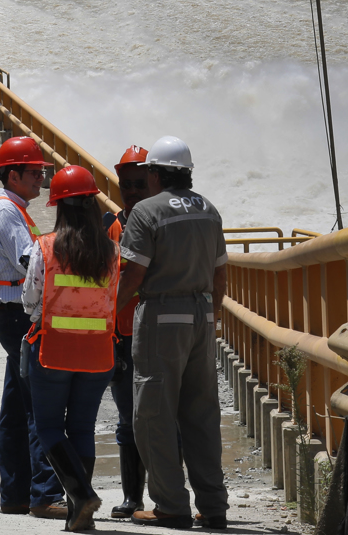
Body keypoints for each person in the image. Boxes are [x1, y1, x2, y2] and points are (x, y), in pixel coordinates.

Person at [118, 136, 229, 530]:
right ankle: (214, 507)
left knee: (153, 414)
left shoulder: (146, 211)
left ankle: (170, 505)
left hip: (162, 315)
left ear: (154, 173)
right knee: (201, 413)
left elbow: (132, 275)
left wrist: (110, 315)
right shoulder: (209, 210)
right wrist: (209, 316)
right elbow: (220, 274)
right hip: (202, 315)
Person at [21, 165, 120, 531]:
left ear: (59, 207)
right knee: (81, 427)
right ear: (94, 204)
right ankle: (81, 514)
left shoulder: (45, 247)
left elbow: (30, 300)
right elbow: (112, 297)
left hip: (53, 351)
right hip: (98, 354)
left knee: (48, 426)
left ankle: (80, 495)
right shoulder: (112, 251)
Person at [0, 136, 63, 517]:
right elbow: (30, 260)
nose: (40, 179)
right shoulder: (7, 211)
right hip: (19, 316)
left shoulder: (13, 208)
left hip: (14, 314)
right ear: (13, 174)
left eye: (42, 172)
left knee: (15, 407)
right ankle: (45, 493)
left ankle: (15, 493)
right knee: (38, 404)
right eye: (34, 172)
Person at [102, 145, 154, 519]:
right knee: (127, 420)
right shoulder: (109, 227)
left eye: (139, 183)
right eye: (126, 184)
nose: (132, 190)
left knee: (164, 416)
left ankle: (171, 497)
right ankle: (132, 497)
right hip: (120, 339)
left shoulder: (161, 224)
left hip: (155, 335)